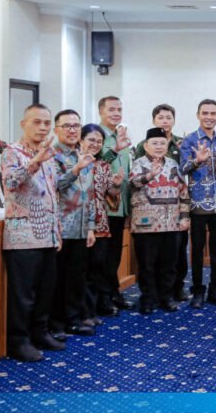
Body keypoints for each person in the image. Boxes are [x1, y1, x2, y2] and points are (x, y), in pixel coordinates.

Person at [1, 104, 64, 361]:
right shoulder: (11, 152)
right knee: (23, 294)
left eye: (47, 123)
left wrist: (57, 231)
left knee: (46, 289)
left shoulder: (49, 155)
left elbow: (52, 195)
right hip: (22, 236)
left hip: (47, 233)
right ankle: (19, 340)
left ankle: (40, 332)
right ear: (23, 124)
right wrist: (35, 161)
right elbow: (11, 182)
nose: (43, 127)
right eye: (37, 122)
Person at [129, 127, 190, 315]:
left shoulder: (173, 164)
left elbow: (183, 192)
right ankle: (148, 299)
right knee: (147, 266)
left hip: (171, 224)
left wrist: (184, 217)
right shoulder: (138, 163)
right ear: (146, 145)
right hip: (146, 225)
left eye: (162, 143)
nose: (158, 146)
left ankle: (166, 298)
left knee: (169, 265)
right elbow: (132, 183)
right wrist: (149, 175)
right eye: (154, 143)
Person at [50, 110, 97, 338]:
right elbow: (54, 186)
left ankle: (73, 319)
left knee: (76, 277)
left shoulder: (83, 154)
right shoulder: (51, 155)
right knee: (57, 279)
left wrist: (91, 226)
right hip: (60, 227)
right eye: (66, 126)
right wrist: (75, 169)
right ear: (56, 129)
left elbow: (89, 193)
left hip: (81, 228)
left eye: (76, 126)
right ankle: (56, 323)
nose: (72, 130)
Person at [179, 99, 216, 309]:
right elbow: (182, 169)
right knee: (197, 251)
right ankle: (197, 291)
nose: (209, 117)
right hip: (198, 205)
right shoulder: (189, 140)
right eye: (205, 113)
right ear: (198, 115)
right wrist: (197, 160)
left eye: (213, 113)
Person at [97, 96, 135, 313]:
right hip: (103, 207)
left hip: (120, 207)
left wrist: (128, 208)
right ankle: (103, 299)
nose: (116, 113)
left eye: (119, 109)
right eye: (111, 109)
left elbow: (126, 175)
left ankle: (113, 293)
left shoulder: (122, 137)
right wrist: (113, 150)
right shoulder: (97, 136)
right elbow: (96, 165)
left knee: (114, 255)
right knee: (102, 257)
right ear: (101, 111)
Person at [81, 124, 122, 325]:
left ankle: (100, 305)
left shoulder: (104, 166)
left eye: (99, 141)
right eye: (91, 140)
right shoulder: (74, 163)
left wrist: (116, 186)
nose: (95, 144)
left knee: (100, 266)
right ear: (81, 140)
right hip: (78, 224)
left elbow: (111, 199)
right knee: (82, 269)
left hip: (101, 223)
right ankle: (84, 310)